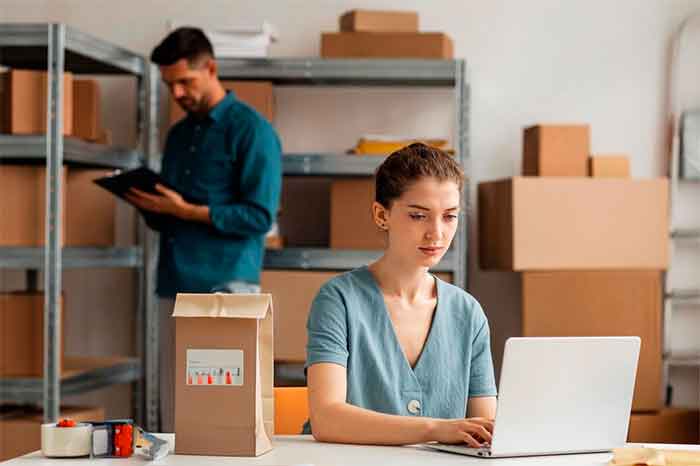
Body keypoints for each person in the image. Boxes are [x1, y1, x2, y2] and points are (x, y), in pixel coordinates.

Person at [127, 27, 282, 432]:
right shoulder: (179, 135)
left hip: (224, 289)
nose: (176, 94)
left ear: (210, 68)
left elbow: (260, 217)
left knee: (220, 417)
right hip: (174, 283)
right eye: (169, 85)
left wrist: (188, 211)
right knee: (175, 414)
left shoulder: (252, 130)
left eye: (184, 82)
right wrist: (149, 204)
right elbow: (174, 211)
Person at [304, 142, 497, 446]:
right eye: (419, 216)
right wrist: (435, 429)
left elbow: (484, 429)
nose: (437, 233)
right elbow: (326, 418)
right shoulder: (338, 300)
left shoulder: (468, 312)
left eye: (450, 216)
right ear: (382, 215)